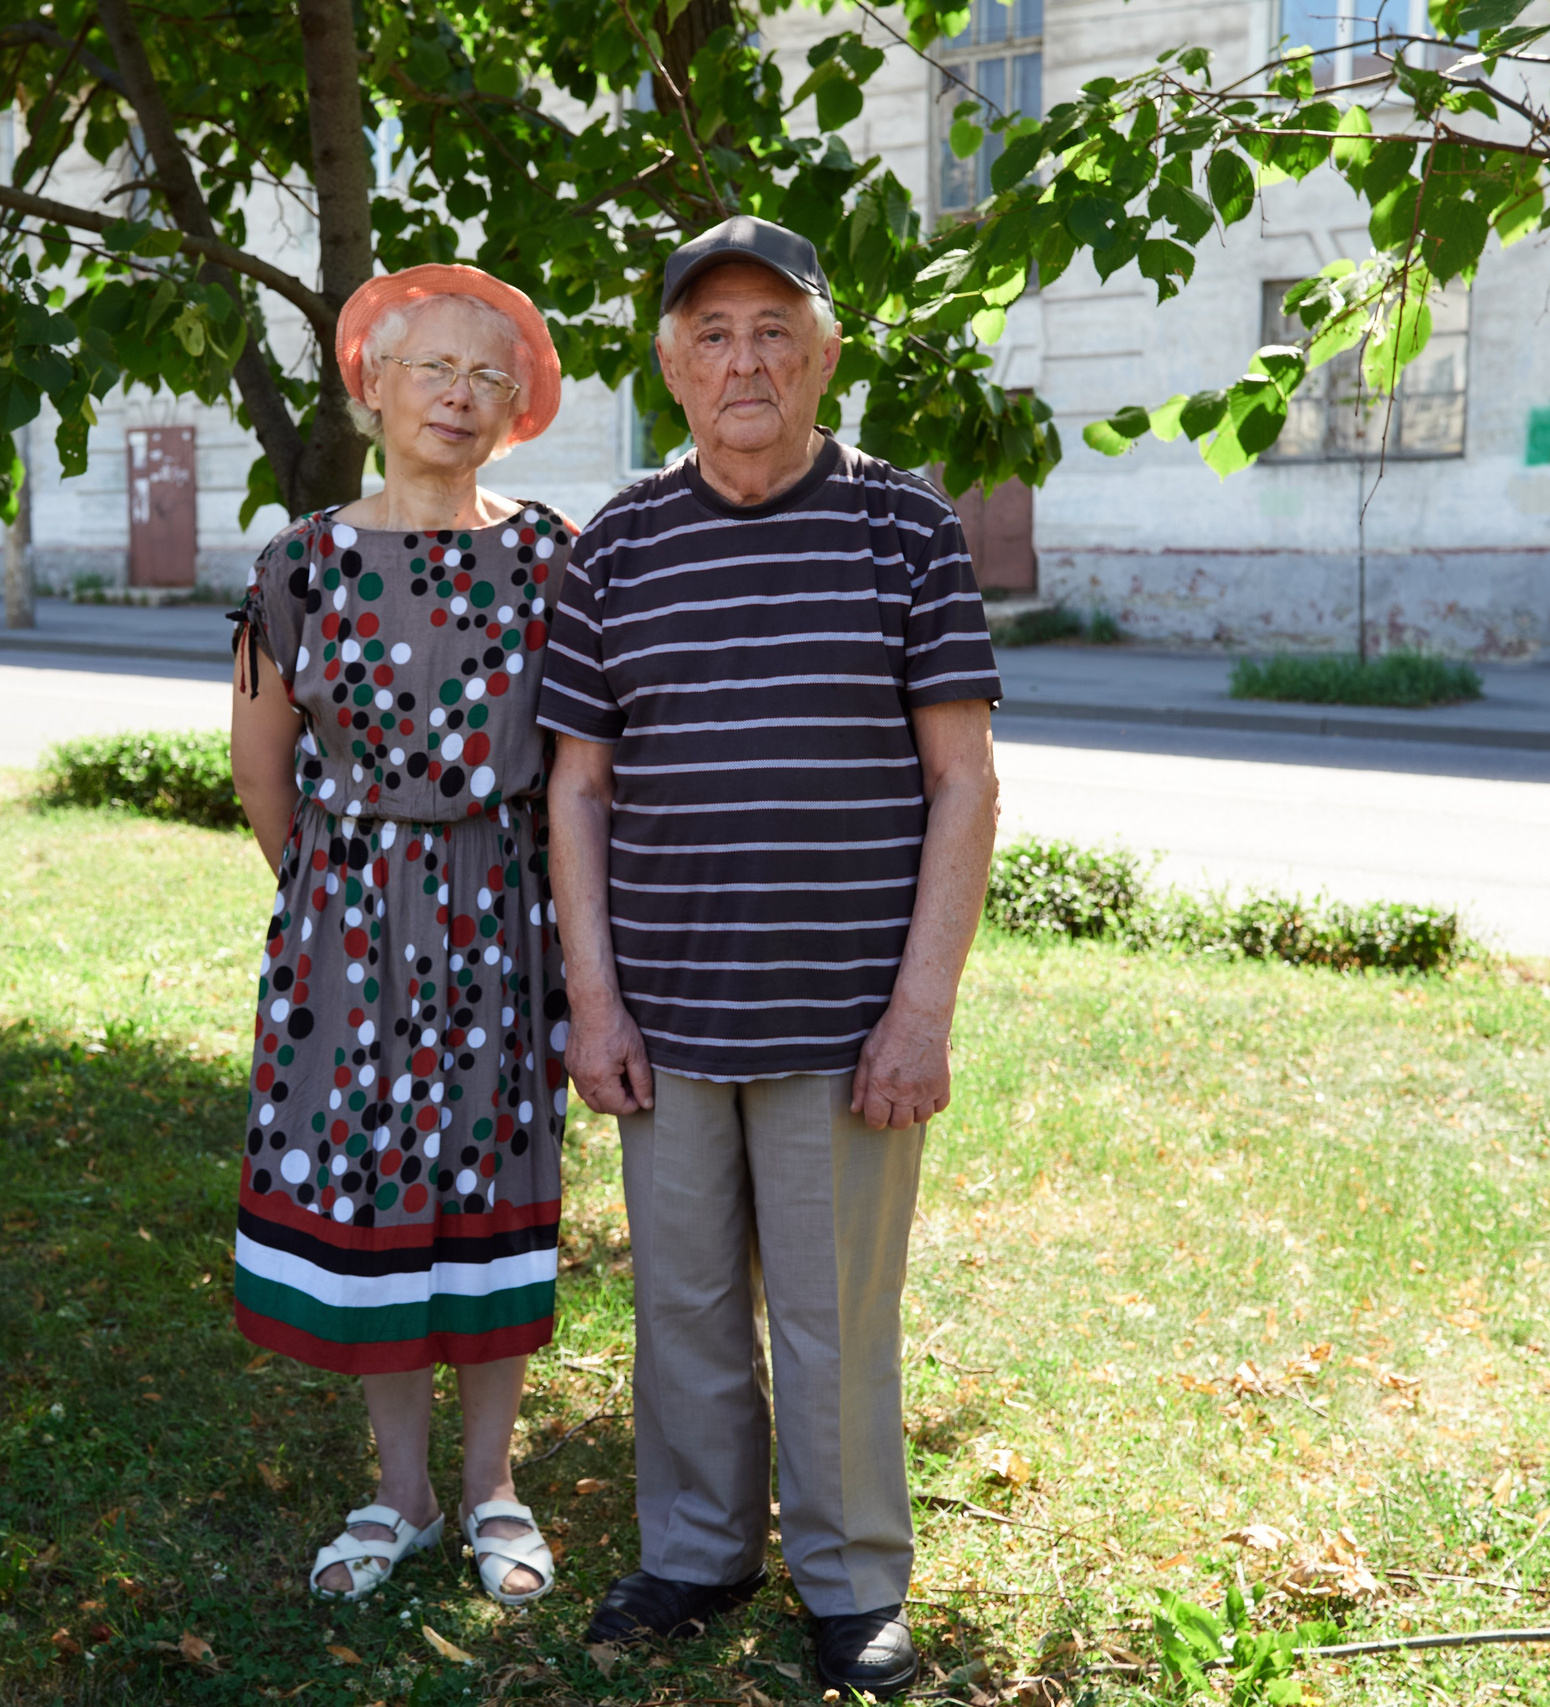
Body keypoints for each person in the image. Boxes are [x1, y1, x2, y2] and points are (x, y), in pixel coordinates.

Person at [537, 216, 1003, 1695]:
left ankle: (852, 1582)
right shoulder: (615, 544)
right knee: (677, 1307)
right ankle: (694, 1551)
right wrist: (592, 1001)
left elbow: (964, 781)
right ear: (672, 365)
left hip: (846, 1015)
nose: (745, 359)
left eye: (773, 330)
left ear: (826, 353)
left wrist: (920, 1010)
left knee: (832, 1314)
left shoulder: (907, 529)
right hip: (664, 1017)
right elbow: (578, 790)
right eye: (713, 334)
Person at [228, 264, 576, 1609]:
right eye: (433, 368)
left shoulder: (554, 557)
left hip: (506, 920)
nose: (459, 395)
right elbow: (264, 771)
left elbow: (585, 761)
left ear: (515, 409)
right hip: (348, 924)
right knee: (378, 1195)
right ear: (371, 382)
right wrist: (346, 894)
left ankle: (494, 1488)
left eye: (489, 377)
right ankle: (402, 1496)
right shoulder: (296, 566)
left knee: (493, 1194)